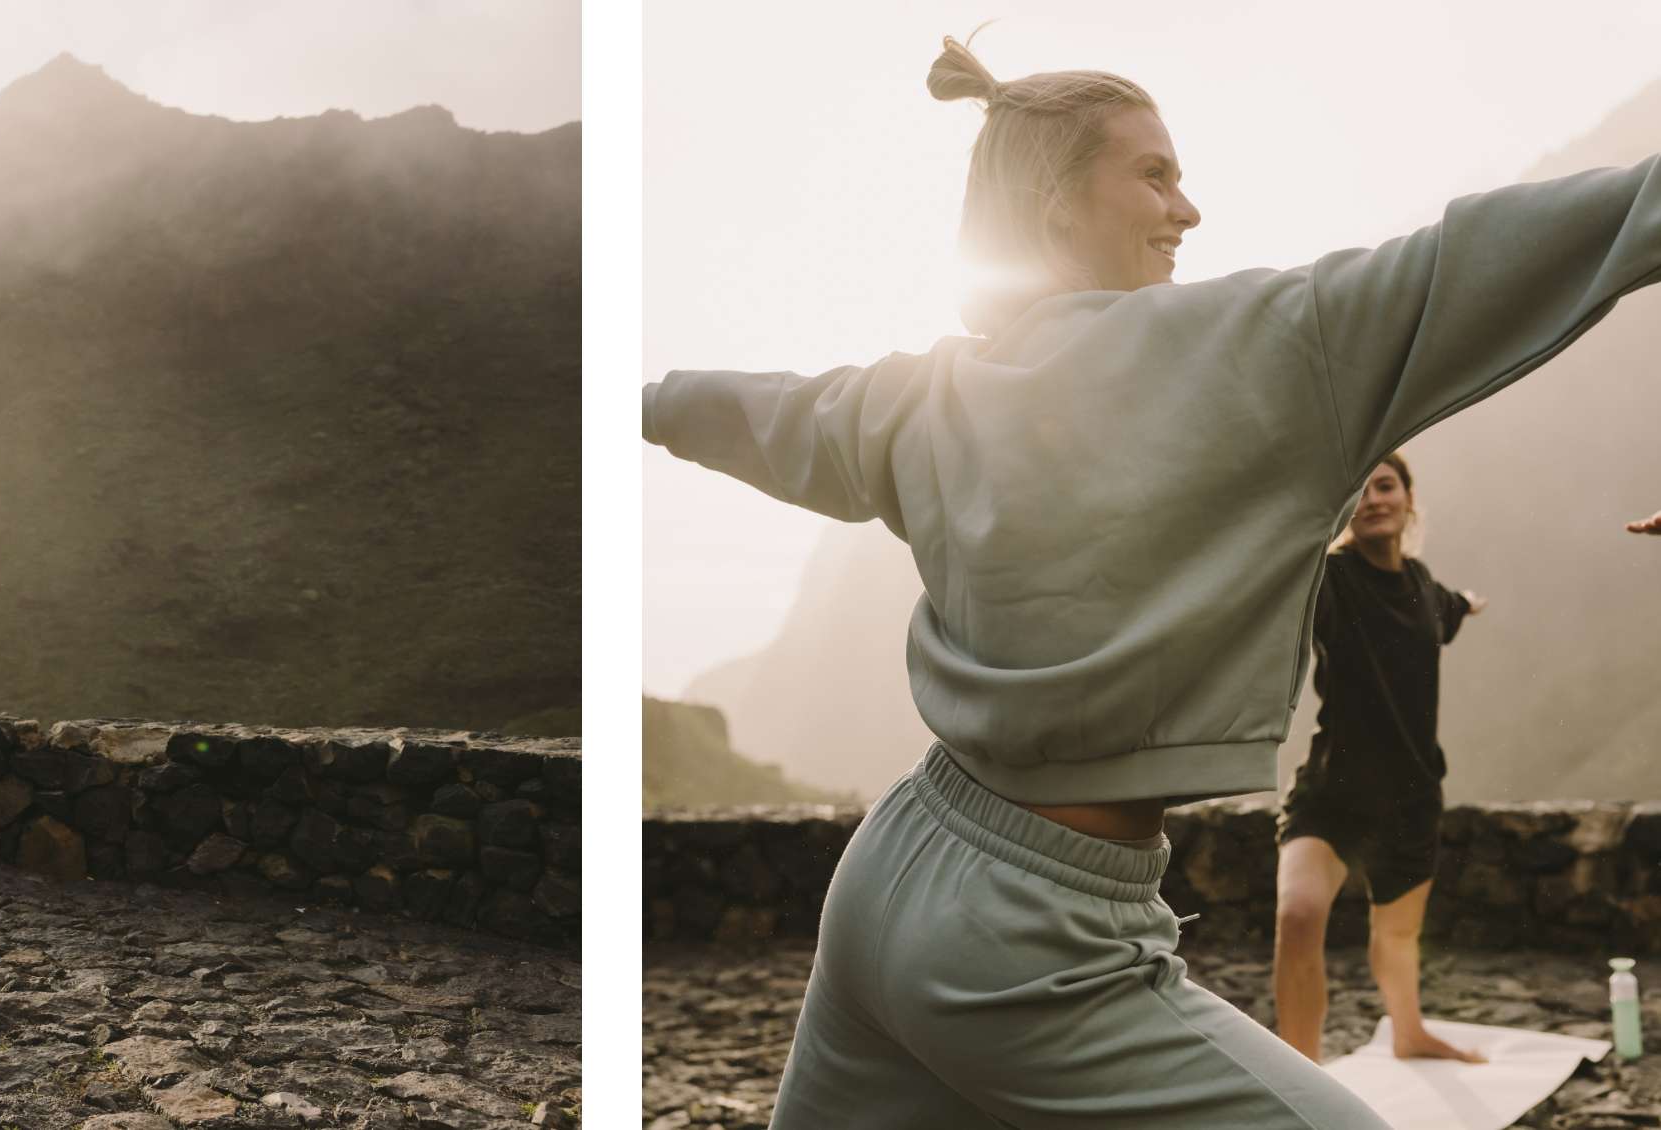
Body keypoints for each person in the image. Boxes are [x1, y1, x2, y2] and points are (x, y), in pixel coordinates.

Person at [645, 31, 1661, 1128]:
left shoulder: (914, 397)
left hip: (894, 867)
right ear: (1055, 207)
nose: (1188, 209)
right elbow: (1502, 251)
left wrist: (633, 400)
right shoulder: (1268, 346)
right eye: (1155, 174)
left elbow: (752, 411)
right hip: (1030, 943)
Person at [1272, 452, 1487, 1064]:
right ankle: (1301, 1071)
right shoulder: (1330, 580)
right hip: (1332, 789)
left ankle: (1409, 1032)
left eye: (1385, 486)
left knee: (1398, 933)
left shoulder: (1423, 586)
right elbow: (1288, 590)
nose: (1373, 500)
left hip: (1411, 793)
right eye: (1359, 490)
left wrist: (1468, 603)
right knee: (1299, 915)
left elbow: (1450, 608)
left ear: (1408, 498)